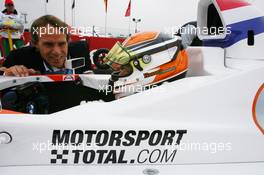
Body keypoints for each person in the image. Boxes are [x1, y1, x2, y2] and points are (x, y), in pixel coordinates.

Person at [0, 15, 72, 76]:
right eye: (48, 45)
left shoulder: (81, 50)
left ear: (68, 41)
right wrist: (8, 74)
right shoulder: (18, 58)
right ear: (35, 43)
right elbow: (2, 73)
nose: (57, 52)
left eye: (62, 44)